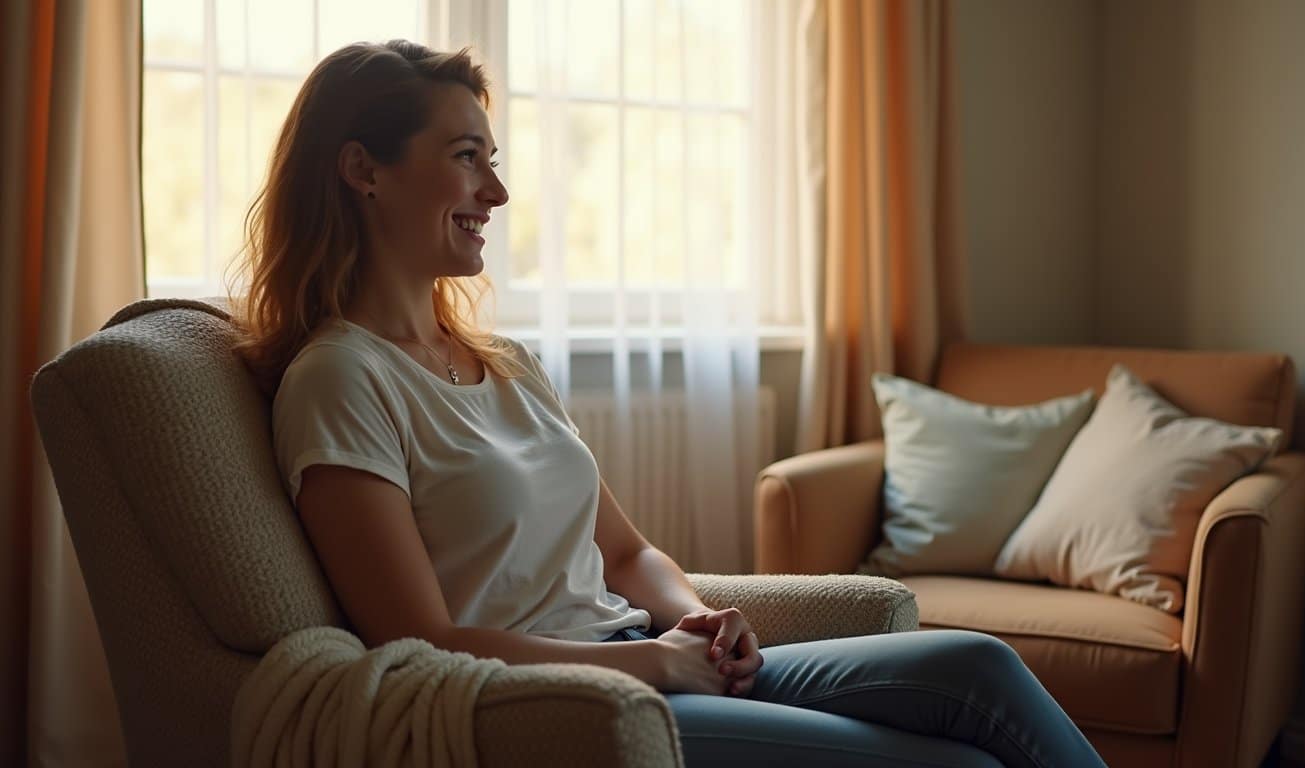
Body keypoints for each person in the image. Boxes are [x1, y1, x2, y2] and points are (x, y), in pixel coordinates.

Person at [230, 40, 1108, 768]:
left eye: (492, 163)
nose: (495, 194)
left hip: (643, 656)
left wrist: (689, 614)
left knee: (978, 666)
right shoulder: (340, 380)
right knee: (958, 764)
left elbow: (625, 551)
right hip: (565, 703)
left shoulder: (506, 364)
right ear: (363, 171)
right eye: (467, 160)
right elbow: (415, 641)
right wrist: (653, 663)